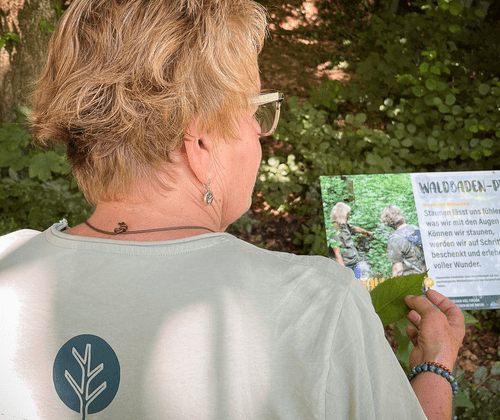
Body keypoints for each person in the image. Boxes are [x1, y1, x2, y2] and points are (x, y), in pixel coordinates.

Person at [0, 0, 464, 419]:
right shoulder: (316, 306)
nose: (260, 134)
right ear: (200, 141)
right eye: (254, 110)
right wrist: (435, 367)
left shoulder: (8, 266)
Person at [329, 202, 373, 279]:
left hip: (355, 261)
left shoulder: (343, 223)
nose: (349, 215)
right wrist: (342, 267)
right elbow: (336, 251)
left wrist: (367, 232)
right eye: (347, 214)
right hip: (347, 264)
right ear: (341, 214)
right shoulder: (333, 229)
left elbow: (354, 229)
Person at [381, 205, 427, 277]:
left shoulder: (394, 239)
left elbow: (398, 269)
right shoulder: (417, 229)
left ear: (387, 220)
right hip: (427, 276)